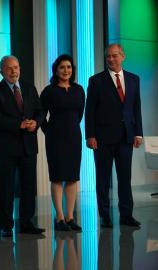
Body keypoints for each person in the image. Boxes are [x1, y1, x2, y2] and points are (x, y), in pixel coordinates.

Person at [85, 44, 143, 228]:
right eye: (108, 56)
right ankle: (105, 216)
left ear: (123, 56)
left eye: (114, 56)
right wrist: (90, 135)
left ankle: (127, 215)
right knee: (102, 178)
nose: (111, 59)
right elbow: (90, 111)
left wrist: (138, 133)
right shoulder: (96, 80)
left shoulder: (134, 79)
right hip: (102, 138)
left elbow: (136, 108)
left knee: (125, 178)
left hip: (126, 137)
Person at [0, 55, 45, 237]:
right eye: (9, 68)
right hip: (5, 147)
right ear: (1, 71)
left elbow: (40, 111)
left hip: (28, 144)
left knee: (28, 186)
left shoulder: (29, 88)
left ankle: (27, 223)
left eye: (16, 67)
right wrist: (17, 124)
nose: (13, 71)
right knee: (5, 188)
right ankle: (5, 225)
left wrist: (36, 122)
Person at [40, 55, 85, 232]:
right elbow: (41, 115)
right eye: (62, 68)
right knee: (57, 177)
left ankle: (70, 217)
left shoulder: (79, 90)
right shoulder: (49, 91)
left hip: (74, 137)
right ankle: (59, 218)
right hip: (55, 138)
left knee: (73, 177)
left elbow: (79, 114)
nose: (66, 71)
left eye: (68, 67)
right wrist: (49, 131)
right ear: (56, 70)